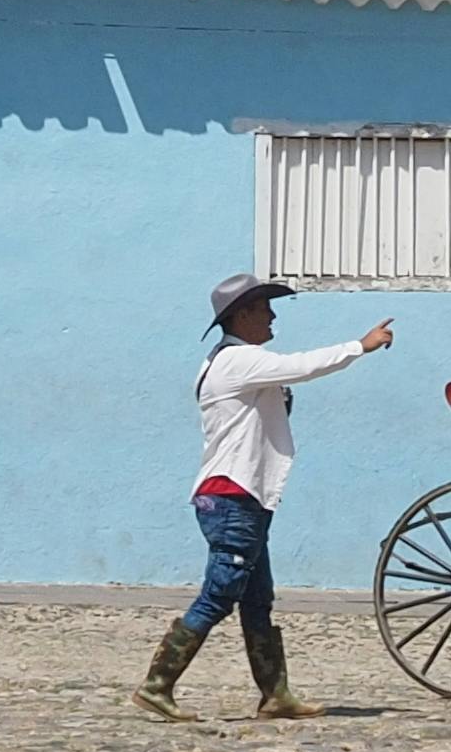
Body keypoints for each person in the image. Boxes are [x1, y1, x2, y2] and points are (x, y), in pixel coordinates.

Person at [136, 274, 393, 721]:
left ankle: (275, 694)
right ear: (242, 316)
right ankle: (158, 684)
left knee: (258, 599)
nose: (272, 316)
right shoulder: (237, 361)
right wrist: (361, 346)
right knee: (220, 594)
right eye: (263, 309)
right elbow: (304, 365)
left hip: (245, 498)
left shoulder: (229, 363)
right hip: (232, 497)